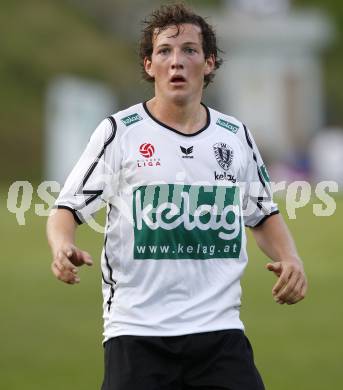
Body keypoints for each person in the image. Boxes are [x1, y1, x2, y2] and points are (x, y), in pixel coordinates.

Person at [47, 3, 307, 390]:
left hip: (219, 332)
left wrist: (291, 259)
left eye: (189, 50)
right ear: (149, 64)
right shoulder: (120, 132)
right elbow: (66, 209)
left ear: (210, 62)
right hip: (136, 331)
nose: (176, 61)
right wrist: (62, 246)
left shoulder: (234, 136)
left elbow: (263, 214)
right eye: (165, 51)